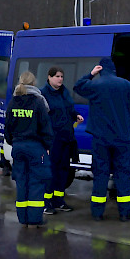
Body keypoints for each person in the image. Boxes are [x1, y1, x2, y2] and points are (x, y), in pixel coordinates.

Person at [74, 57, 130, 222]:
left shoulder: (95, 85)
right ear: (114, 69)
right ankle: (125, 213)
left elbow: (78, 86)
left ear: (100, 69)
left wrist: (91, 74)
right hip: (122, 138)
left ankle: (97, 213)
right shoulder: (125, 84)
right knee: (123, 174)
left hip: (100, 139)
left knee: (100, 174)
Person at [3, 71, 54, 227]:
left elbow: (7, 129)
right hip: (35, 147)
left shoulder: (13, 102)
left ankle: (23, 218)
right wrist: (47, 145)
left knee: (21, 182)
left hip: (18, 147)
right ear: (33, 84)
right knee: (36, 183)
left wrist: (15, 142)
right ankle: (34, 219)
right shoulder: (38, 102)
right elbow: (45, 127)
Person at [42, 66, 82, 213]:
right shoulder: (43, 94)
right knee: (51, 170)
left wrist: (75, 115)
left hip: (67, 137)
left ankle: (59, 201)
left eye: (61, 77)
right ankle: (47, 203)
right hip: (53, 139)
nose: (60, 79)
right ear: (49, 77)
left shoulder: (64, 92)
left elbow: (69, 109)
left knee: (63, 170)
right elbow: (42, 118)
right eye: (57, 76)